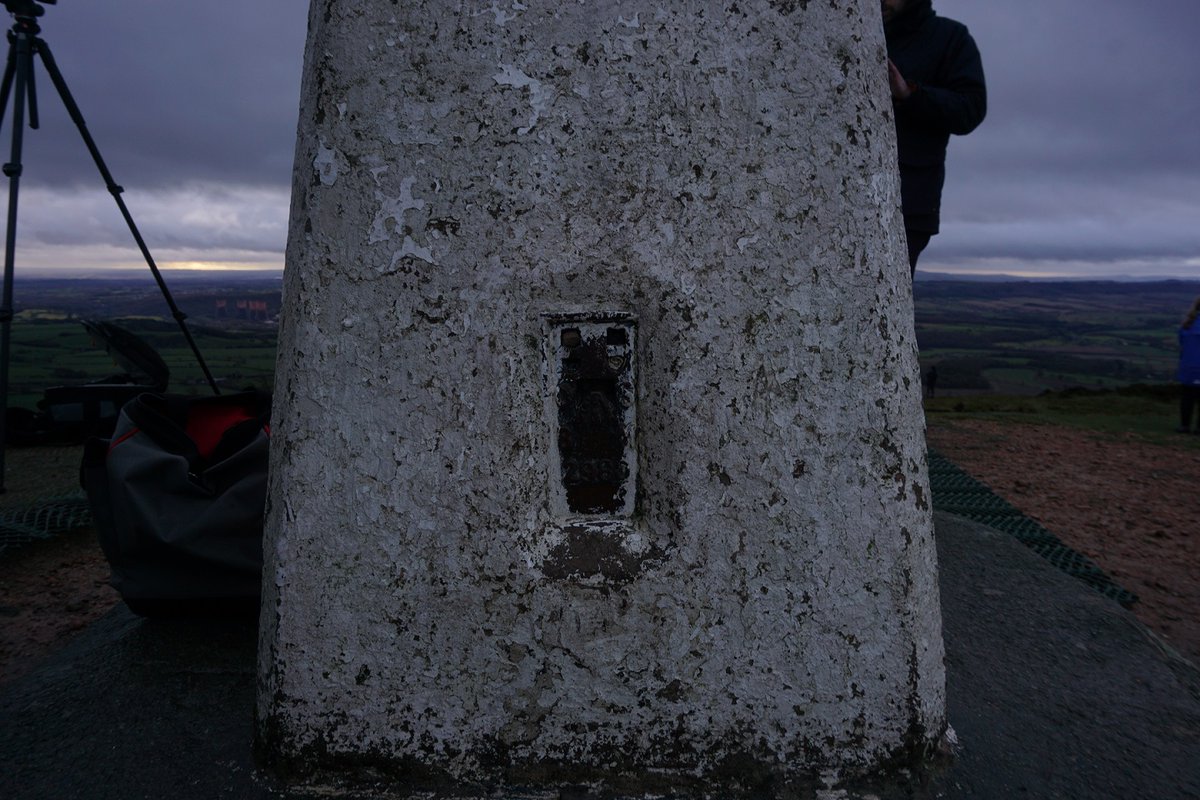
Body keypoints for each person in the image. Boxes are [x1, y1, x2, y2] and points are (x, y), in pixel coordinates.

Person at [883, 0, 987, 274]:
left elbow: (971, 108)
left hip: (910, 202)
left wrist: (910, 94)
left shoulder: (950, 38)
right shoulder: (859, 30)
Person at [1177, 298, 1200, 433]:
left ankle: (1184, 426)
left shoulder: (1187, 326)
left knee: (1187, 397)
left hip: (1188, 367)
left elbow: (1182, 345)